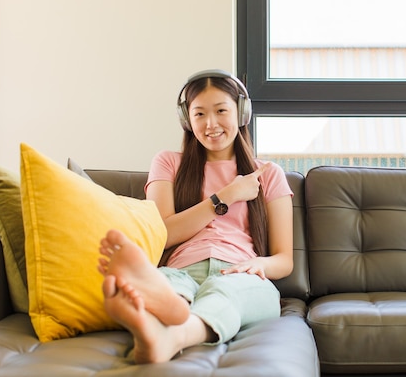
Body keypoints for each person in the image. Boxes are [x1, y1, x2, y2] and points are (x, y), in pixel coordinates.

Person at [97, 69, 294, 364]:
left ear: (241, 113)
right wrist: (226, 196)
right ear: (186, 119)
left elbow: (284, 260)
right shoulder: (168, 163)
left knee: (225, 291)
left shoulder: (268, 174)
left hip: (240, 272)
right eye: (199, 114)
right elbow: (163, 234)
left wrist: (259, 264)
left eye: (221, 111)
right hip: (183, 267)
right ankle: (162, 310)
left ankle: (171, 334)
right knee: (172, 283)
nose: (210, 123)